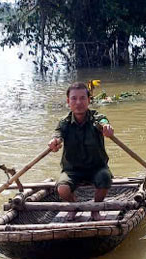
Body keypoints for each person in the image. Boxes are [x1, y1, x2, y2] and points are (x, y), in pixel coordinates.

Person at [48, 82, 115, 221]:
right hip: (72, 170)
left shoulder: (96, 117)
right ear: (68, 101)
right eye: (74, 98)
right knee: (62, 189)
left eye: (83, 98)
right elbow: (58, 134)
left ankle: (95, 209)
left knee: (105, 178)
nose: (78, 102)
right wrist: (55, 142)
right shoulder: (64, 122)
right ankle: (74, 206)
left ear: (89, 100)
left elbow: (102, 121)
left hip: (97, 168)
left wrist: (106, 127)